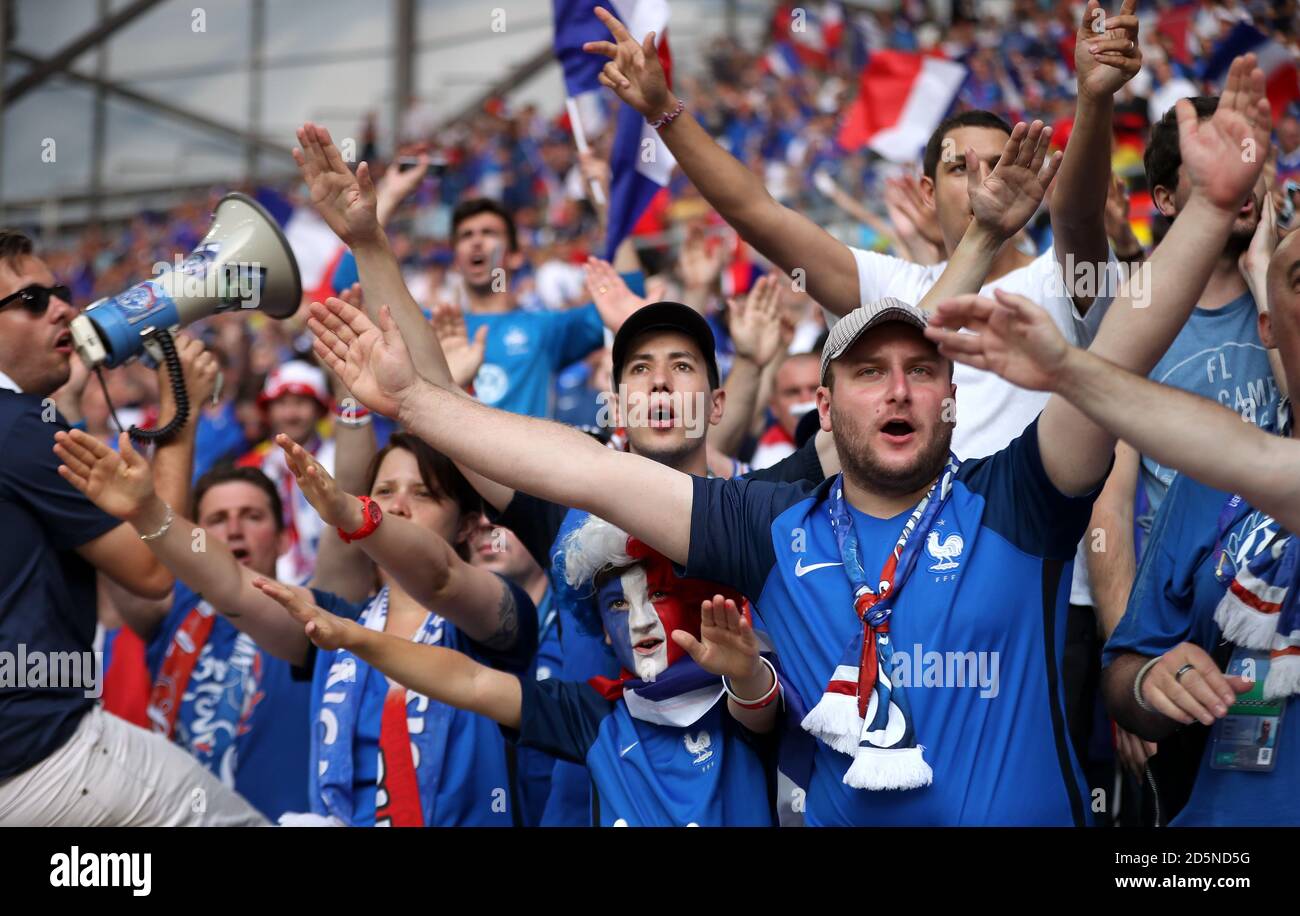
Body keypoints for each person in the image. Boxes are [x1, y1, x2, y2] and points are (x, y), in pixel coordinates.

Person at [303, 54, 1270, 826]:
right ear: (829, 411)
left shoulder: (1016, 499)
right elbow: (581, 470)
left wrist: (1214, 210)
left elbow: (1123, 345)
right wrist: (415, 405)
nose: (897, 387)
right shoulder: (768, 520)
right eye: (865, 371)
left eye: (921, 371)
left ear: (948, 399)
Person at [582, 0, 1141, 459]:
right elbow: (759, 213)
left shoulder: (1061, 278)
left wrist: (1094, 99)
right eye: (959, 167)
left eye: (1000, 163)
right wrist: (664, 111)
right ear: (926, 191)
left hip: (1061, 591)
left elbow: (1079, 213)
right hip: (909, 585)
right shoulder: (888, 288)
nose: (981, 181)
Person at [922, 222, 1300, 826]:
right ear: (1268, 325)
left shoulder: (1241, 462)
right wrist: (1152, 683)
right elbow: (1124, 672)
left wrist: (1071, 371)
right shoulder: (1205, 486)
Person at [54, 422, 537, 827]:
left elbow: (442, 578)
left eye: (423, 494)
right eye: (384, 492)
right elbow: (233, 586)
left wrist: (355, 514)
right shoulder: (336, 626)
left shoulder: (492, 616)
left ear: (469, 526)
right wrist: (148, 513)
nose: (397, 506)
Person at [253, 515, 782, 827]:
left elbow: (761, 710)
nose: (639, 619)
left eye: (660, 594)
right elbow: (470, 681)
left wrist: (746, 675)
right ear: (598, 628)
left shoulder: (741, 689)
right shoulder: (594, 714)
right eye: (617, 607)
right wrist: (352, 638)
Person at [0, 230, 266, 826]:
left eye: (60, 292)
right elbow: (152, 571)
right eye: (30, 300)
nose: (64, 308)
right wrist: (183, 411)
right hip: (46, 757)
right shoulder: (19, 428)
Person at [237, 360, 336, 583]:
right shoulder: (249, 467)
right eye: (282, 403)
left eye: (301, 403)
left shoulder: (342, 462)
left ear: (320, 409)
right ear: (268, 411)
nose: (291, 414)